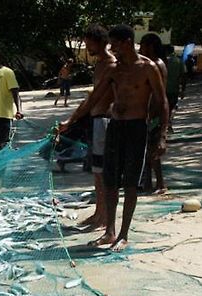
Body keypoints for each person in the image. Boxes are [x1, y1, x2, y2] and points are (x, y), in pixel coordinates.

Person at [59, 24, 168, 252]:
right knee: (110, 182)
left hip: (137, 128)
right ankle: (109, 231)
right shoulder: (114, 70)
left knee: (129, 185)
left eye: (116, 44)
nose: (113, 49)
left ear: (127, 42)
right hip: (115, 128)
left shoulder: (148, 68)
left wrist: (161, 136)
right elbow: (93, 99)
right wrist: (71, 120)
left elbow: (162, 101)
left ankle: (123, 234)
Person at [78, 24, 116, 229]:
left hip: (104, 121)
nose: (88, 47)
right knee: (96, 171)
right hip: (95, 120)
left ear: (102, 42)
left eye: (89, 43)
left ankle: (104, 217)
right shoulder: (99, 64)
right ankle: (98, 212)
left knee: (103, 172)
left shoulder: (111, 64)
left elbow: (97, 96)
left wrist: (74, 118)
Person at [139, 33, 168, 194]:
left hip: (155, 114)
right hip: (149, 113)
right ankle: (148, 183)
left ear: (149, 46)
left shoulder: (156, 65)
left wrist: (153, 114)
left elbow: (158, 95)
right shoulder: (150, 64)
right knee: (148, 151)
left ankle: (160, 184)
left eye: (142, 46)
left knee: (153, 151)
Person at [166, 46, 186, 133]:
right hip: (174, 89)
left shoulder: (163, 61)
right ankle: (169, 122)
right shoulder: (179, 61)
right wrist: (183, 90)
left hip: (163, 89)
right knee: (173, 107)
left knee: (164, 108)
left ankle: (164, 126)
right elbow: (184, 76)